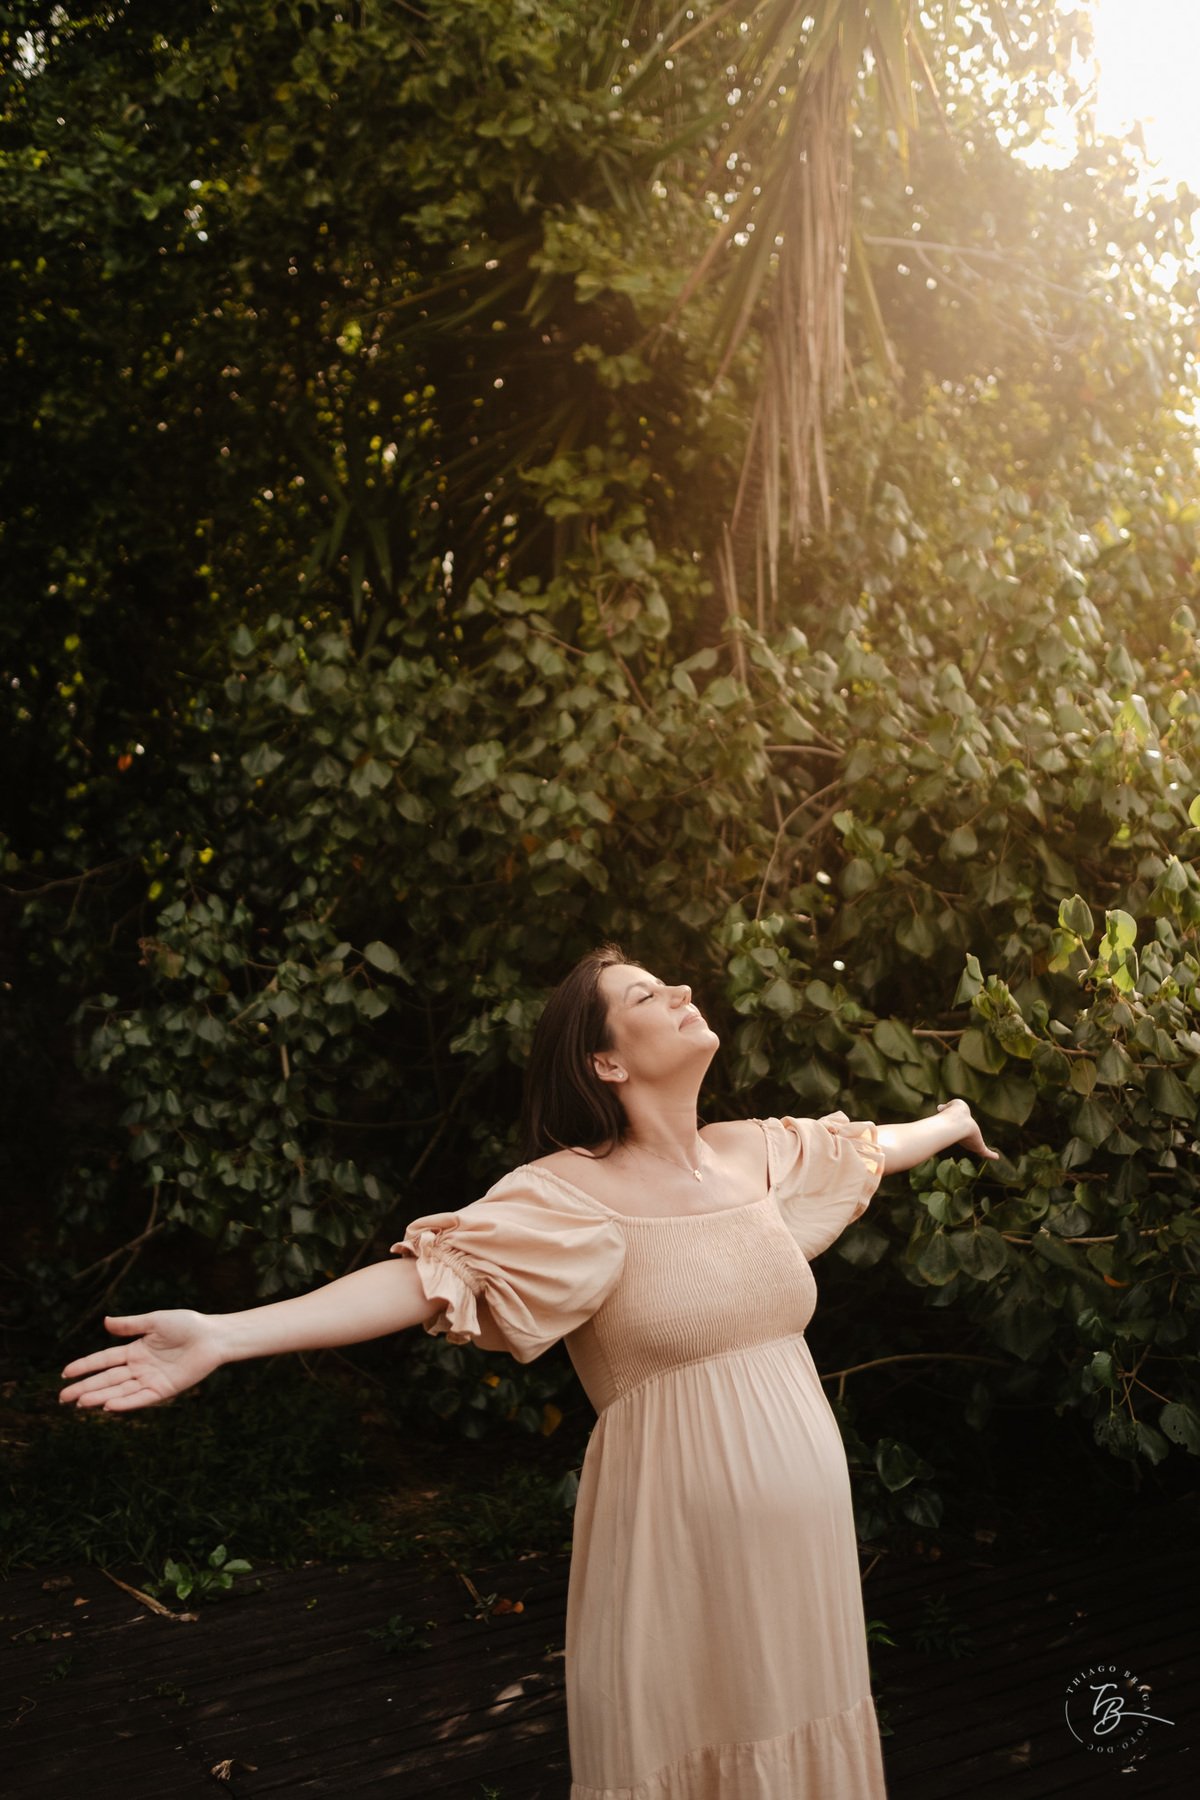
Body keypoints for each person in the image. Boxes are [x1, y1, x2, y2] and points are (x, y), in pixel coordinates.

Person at [61, 944, 997, 1799]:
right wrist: (226, 1335)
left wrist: (951, 1118)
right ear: (606, 1063)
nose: (680, 989)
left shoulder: (754, 1153)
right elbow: (423, 1280)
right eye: (644, 995)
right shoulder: (570, 1193)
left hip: (803, 1556)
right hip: (677, 1552)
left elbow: (871, 1147)